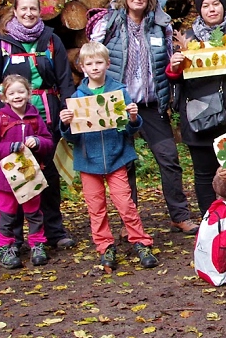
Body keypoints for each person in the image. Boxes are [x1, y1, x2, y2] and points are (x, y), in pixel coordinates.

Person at [90, 0, 198, 234]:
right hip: (118, 104)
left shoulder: (160, 25)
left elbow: (171, 61)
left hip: (151, 104)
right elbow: (92, 54)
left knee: (169, 158)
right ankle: (131, 222)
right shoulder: (111, 23)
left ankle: (179, 215)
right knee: (124, 165)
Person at [0, 0, 76, 250]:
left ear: (40, 11)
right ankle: (16, 238)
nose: (29, 14)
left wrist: (68, 114)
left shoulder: (51, 40)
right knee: (16, 178)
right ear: (15, 10)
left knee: (49, 175)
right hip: (10, 122)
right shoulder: (0, 45)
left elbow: (65, 80)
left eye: (33, 9)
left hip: (46, 116)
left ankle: (53, 232)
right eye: (24, 9)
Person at [59, 42, 158, 269]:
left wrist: (133, 118)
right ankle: (105, 247)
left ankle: (141, 242)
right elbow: (72, 137)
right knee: (96, 208)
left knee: (125, 204)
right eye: (90, 64)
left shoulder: (119, 91)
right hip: (88, 161)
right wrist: (65, 124)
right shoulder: (77, 97)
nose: (95, 67)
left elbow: (130, 130)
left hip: (116, 157)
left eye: (99, 62)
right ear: (82, 67)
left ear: (108, 64)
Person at [167, 0, 226, 215]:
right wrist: (173, 68)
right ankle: (211, 222)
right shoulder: (187, 39)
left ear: (224, 6)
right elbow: (175, 77)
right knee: (203, 174)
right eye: (205, 5)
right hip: (198, 114)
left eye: (216, 4)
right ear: (199, 10)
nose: (212, 9)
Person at [0, 75, 54, 269]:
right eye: (11, 93)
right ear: (4, 97)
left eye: (21, 92)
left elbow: (48, 141)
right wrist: (9, 147)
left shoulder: (35, 117)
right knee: (6, 214)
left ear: (29, 94)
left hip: (29, 175)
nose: (17, 96)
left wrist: (38, 142)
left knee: (34, 212)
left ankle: (37, 244)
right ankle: (5, 247)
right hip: (5, 178)